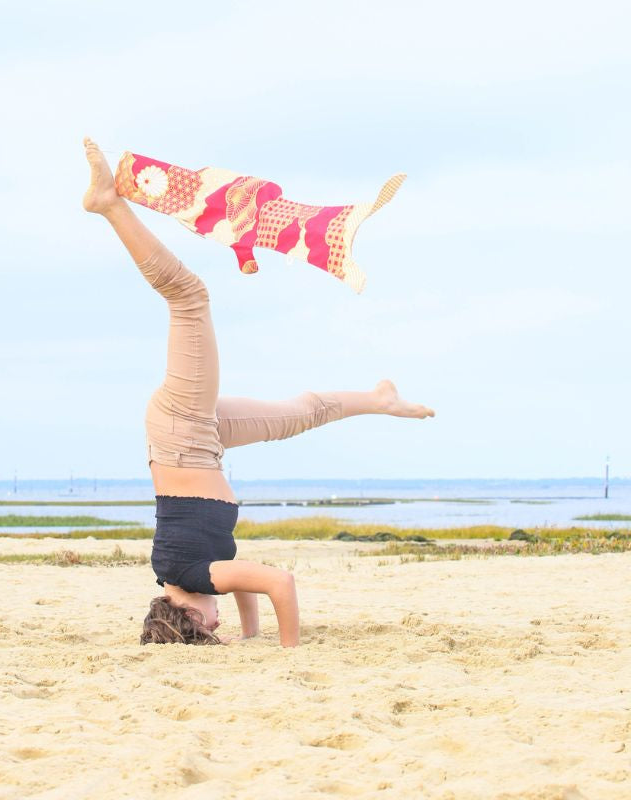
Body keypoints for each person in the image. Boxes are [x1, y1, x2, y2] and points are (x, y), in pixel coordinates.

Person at [82, 137, 435, 647]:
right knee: (298, 415)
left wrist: (288, 652)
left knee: (188, 296)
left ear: (189, 616)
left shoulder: (194, 575)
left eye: (209, 627)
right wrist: (250, 637)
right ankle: (380, 399)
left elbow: (278, 583)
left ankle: (109, 206)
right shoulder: (189, 575)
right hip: (199, 440)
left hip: (184, 431)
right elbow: (241, 578)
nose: (216, 624)